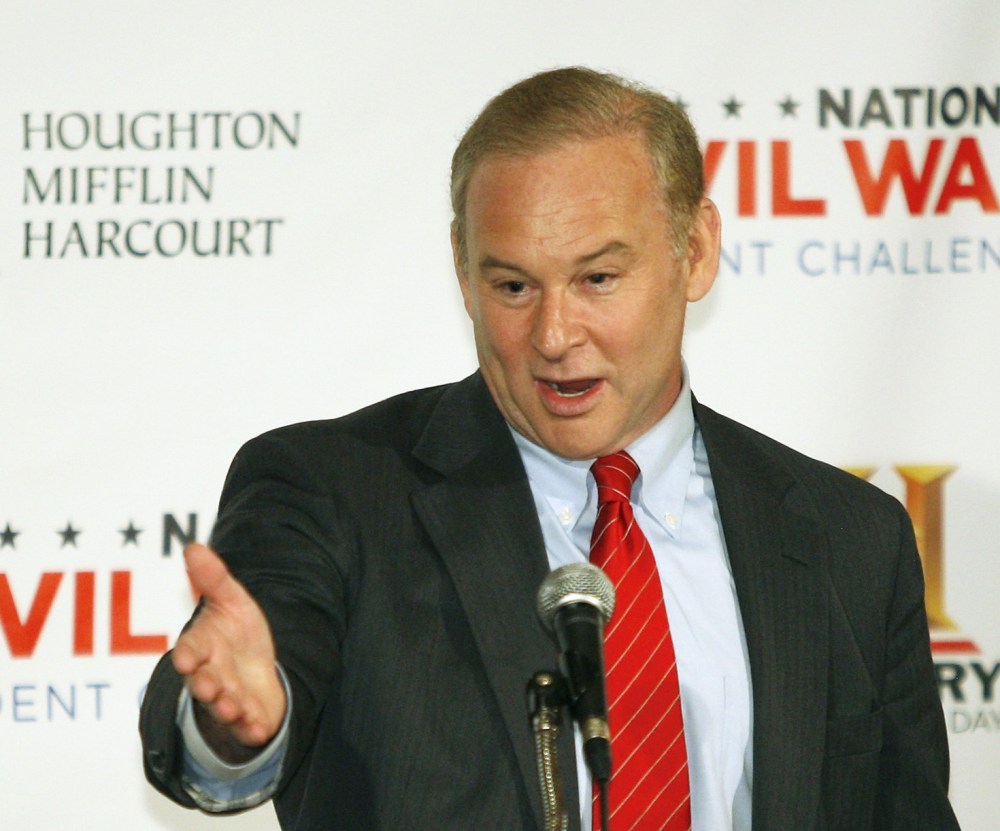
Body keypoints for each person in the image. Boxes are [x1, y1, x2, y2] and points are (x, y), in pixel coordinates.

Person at [140, 67, 960, 830]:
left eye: (598, 278)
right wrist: (235, 718)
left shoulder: (851, 536)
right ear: (462, 271)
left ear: (696, 250)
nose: (555, 335)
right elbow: (236, 701)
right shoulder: (333, 491)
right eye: (512, 286)